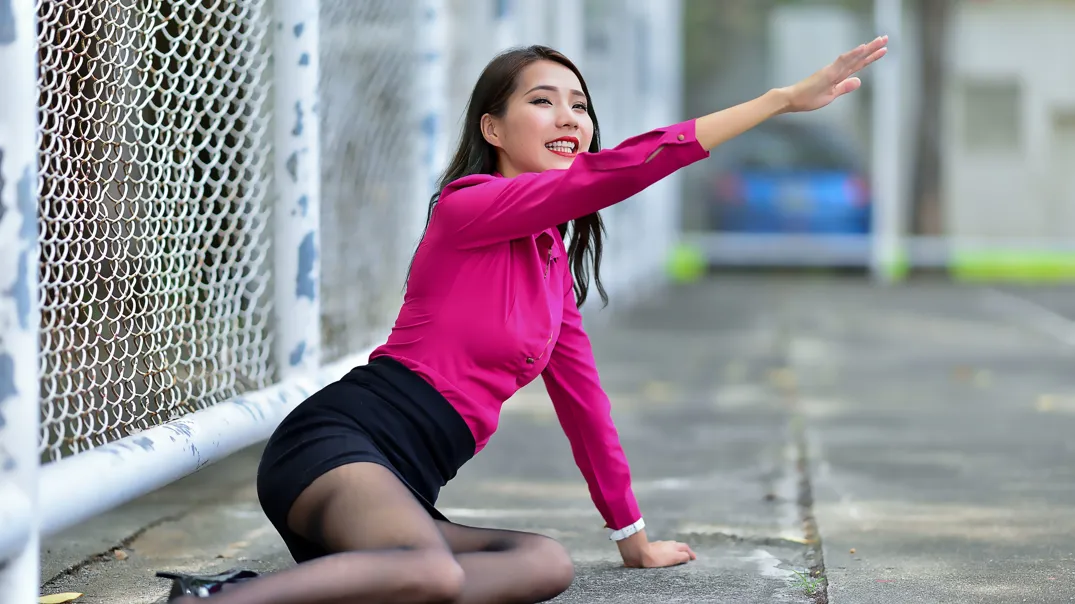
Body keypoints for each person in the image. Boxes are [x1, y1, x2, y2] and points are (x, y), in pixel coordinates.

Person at [164, 36, 887, 604]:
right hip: (341, 446)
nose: (570, 118)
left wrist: (629, 534)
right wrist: (779, 100)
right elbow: (620, 170)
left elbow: (585, 408)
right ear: (494, 127)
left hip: (406, 482)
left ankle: (361, 587)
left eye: (579, 103)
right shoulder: (467, 207)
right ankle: (217, 601)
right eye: (543, 102)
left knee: (543, 563)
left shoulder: (548, 276)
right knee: (436, 576)